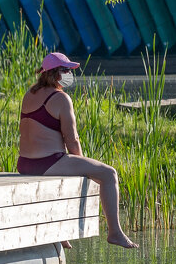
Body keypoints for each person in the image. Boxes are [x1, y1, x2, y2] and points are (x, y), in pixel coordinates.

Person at [18, 52, 137, 249]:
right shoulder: (61, 98)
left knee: (72, 173)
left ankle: (62, 232)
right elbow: (72, 139)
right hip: (47, 162)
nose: (70, 74)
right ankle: (115, 232)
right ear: (56, 74)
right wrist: (83, 164)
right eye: (66, 70)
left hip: (24, 163)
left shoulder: (29, 94)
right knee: (108, 174)